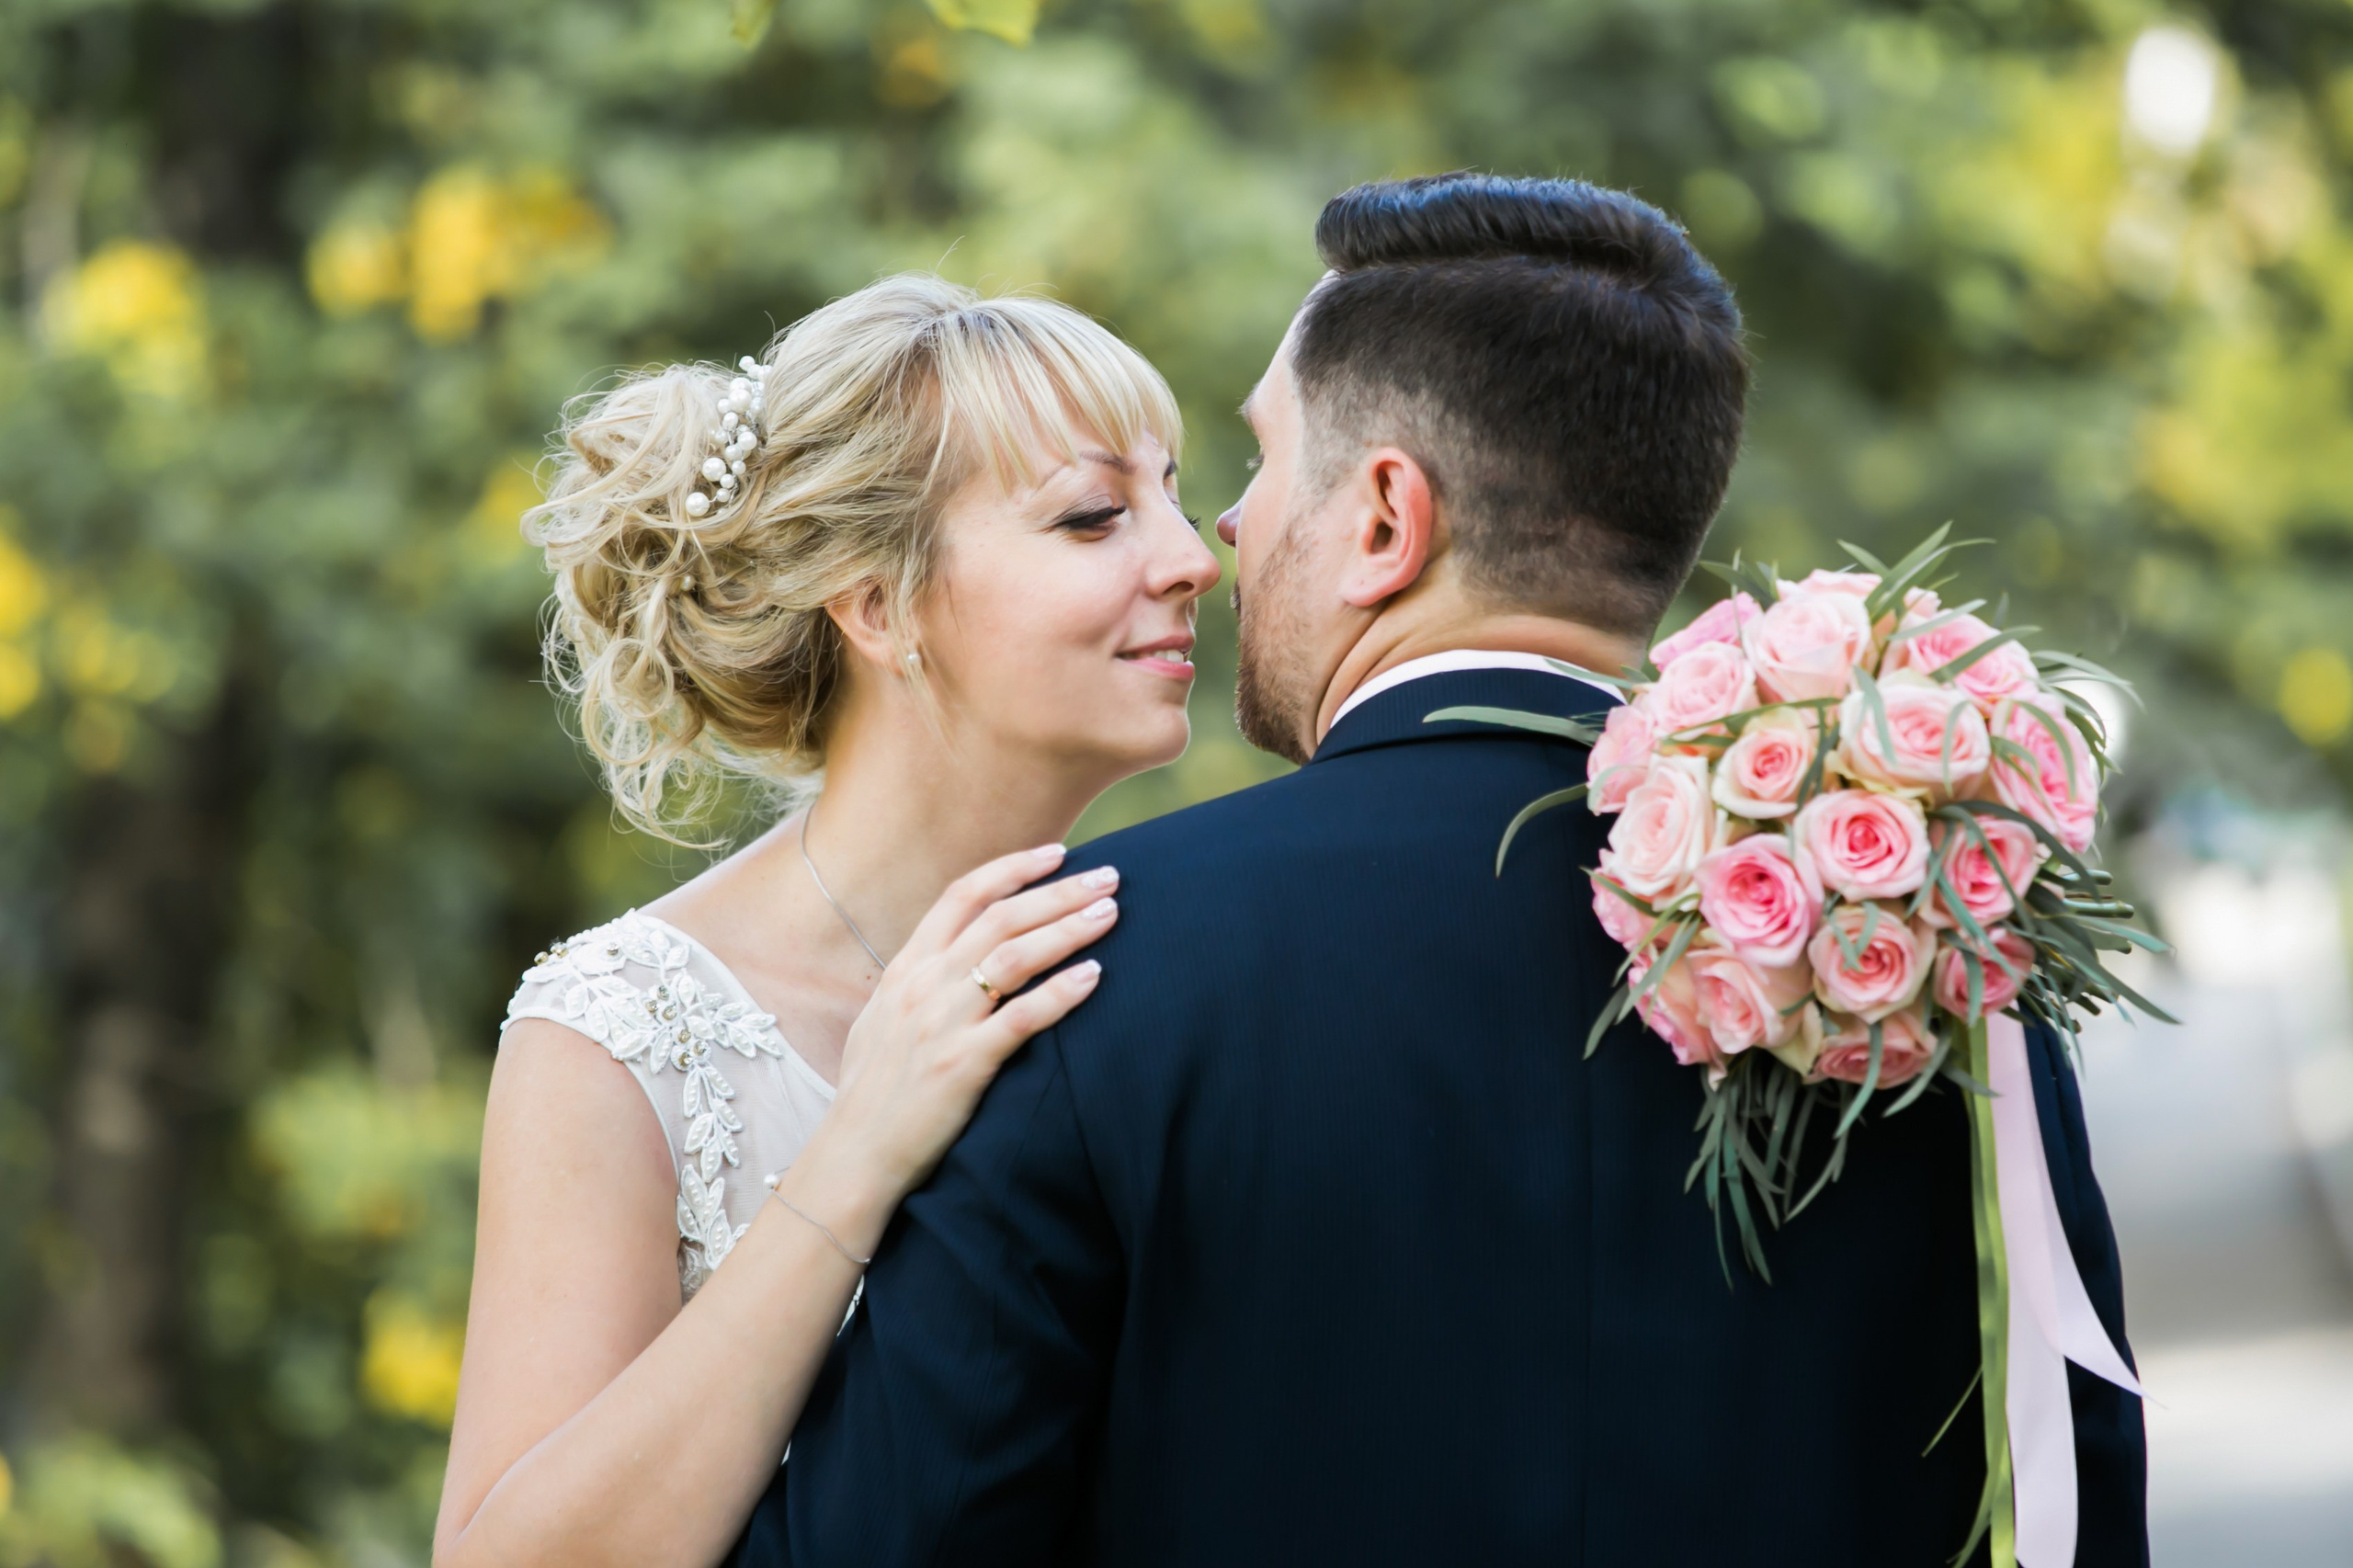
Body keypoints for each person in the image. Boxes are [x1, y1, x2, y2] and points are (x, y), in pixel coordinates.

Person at [729, 175, 2148, 1565]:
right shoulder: (1913, 961)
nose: (1223, 537)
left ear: (1387, 518)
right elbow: (2077, 1489)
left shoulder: (1081, 969)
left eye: (1264, 463)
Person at [433, 274, 1221, 1568]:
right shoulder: (623, 1030)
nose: (1193, 558)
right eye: (1094, 517)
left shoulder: (1171, 969)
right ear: (877, 606)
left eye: (1177, 494)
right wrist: (860, 1143)